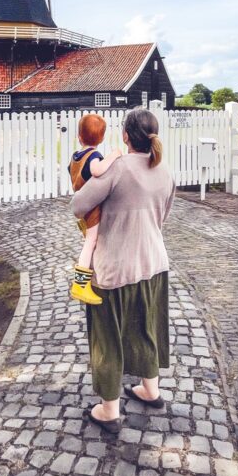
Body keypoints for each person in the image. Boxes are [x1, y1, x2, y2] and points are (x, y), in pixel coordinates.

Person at [71, 106, 176, 434]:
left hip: (115, 269)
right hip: (154, 263)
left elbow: (78, 205)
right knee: (146, 328)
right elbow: (163, 216)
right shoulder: (165, 170)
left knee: (108, 339)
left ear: (126, 136)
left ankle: (109, 410)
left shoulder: (117, 169)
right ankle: (151, 390)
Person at [68, 113, 122, 305]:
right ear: (101, 138)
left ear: (79, 137)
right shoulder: (94, 156)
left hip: (83, 205)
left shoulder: (76, 156)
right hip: (92, 208)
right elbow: (97, 170)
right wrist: (113, 156)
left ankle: (87, 281)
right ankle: (80, 285)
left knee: (92, 243)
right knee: (90, 243)